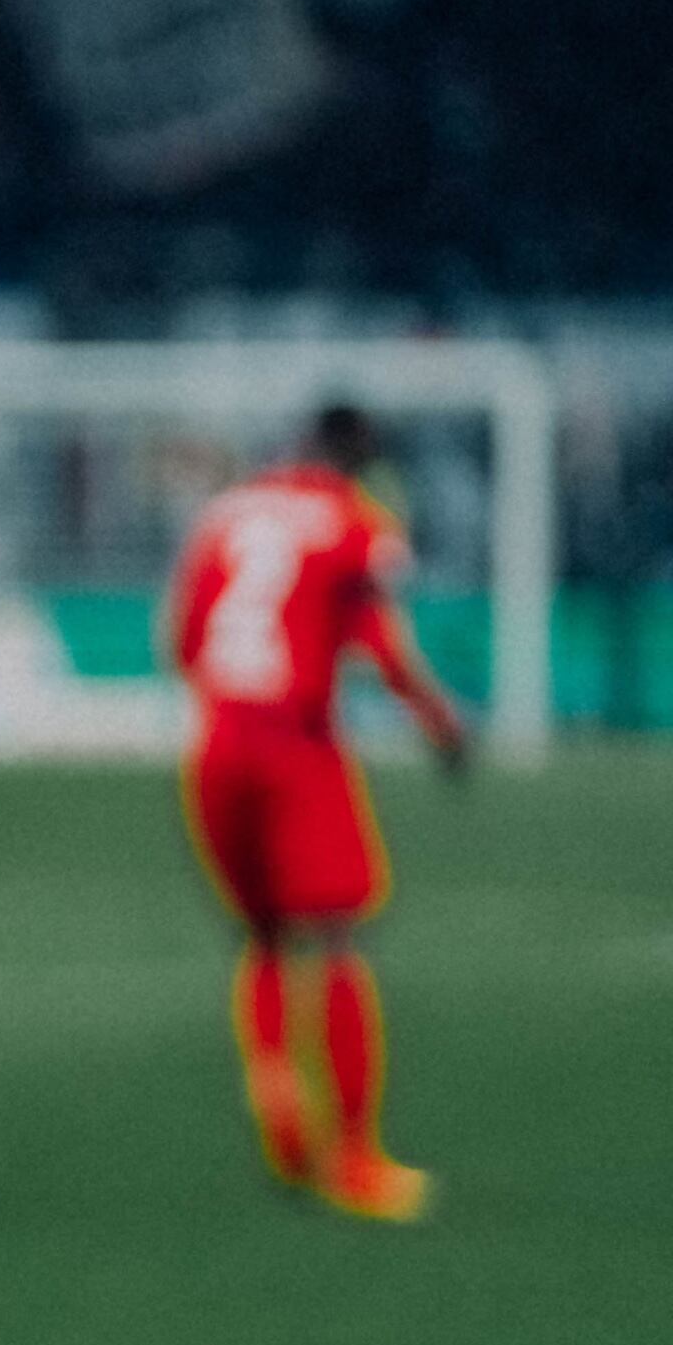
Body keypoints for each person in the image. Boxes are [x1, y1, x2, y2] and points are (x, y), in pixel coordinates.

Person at [162, 403, 472, 1222]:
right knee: (335, 935)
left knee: (262, 933)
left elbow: (182, 643)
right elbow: (381, 643)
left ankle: (284, 1118)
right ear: (361, 466)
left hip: (215, 744)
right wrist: (441, 724)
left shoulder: (227, 512)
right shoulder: (352, 523)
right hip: (294, 744)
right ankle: (357, 1159)